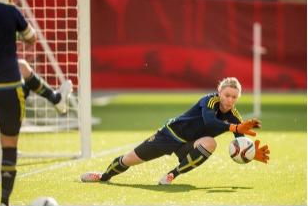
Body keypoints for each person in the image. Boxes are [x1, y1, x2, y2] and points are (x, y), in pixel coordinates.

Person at [0, 0, 70, 205]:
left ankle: (56, 99)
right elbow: (31, 39)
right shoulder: (10, 11)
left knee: (22, 66)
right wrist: (13, 31)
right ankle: (4, 201)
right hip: (9, 88)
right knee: (9, 145)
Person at [81, 77, 270, 185]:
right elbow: (209, 121)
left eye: (234, 97)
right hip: (169, 135)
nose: (230, 100)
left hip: (189, 145)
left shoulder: (235, 116)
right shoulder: (209, 100)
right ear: (219, 92)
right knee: (128, 159)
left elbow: (240, 139)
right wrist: (235, 127)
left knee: (210, 143)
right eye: (227, 95)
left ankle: (172, 175)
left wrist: (251, 153)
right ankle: (103, 176)